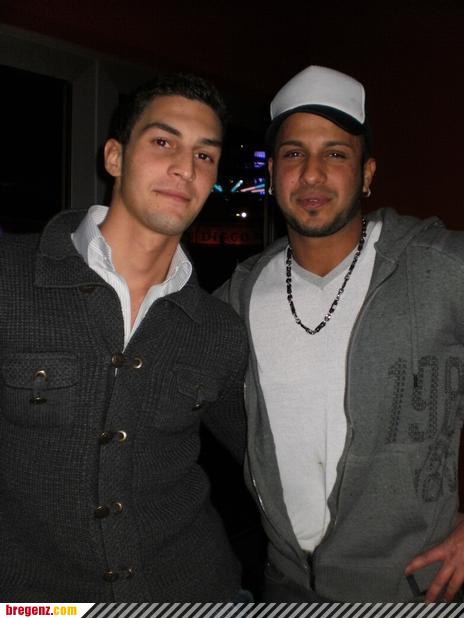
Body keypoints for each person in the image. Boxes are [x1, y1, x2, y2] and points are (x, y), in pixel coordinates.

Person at [217, 64, 464, 603]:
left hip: (412, 592)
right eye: (293, 154)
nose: (311, 175)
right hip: (285, 589)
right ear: (273, 172)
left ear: (367, 173)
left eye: (335, 154)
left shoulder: (441, 268)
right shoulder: (236, 300)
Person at [0, 72, 249, 601]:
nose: (185, 168)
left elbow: (271, 460)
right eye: (163, 142)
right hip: (39, 603)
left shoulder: (218, 328)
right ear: (115, 157)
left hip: (195, 591)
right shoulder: (10, 277)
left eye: (204, 155)